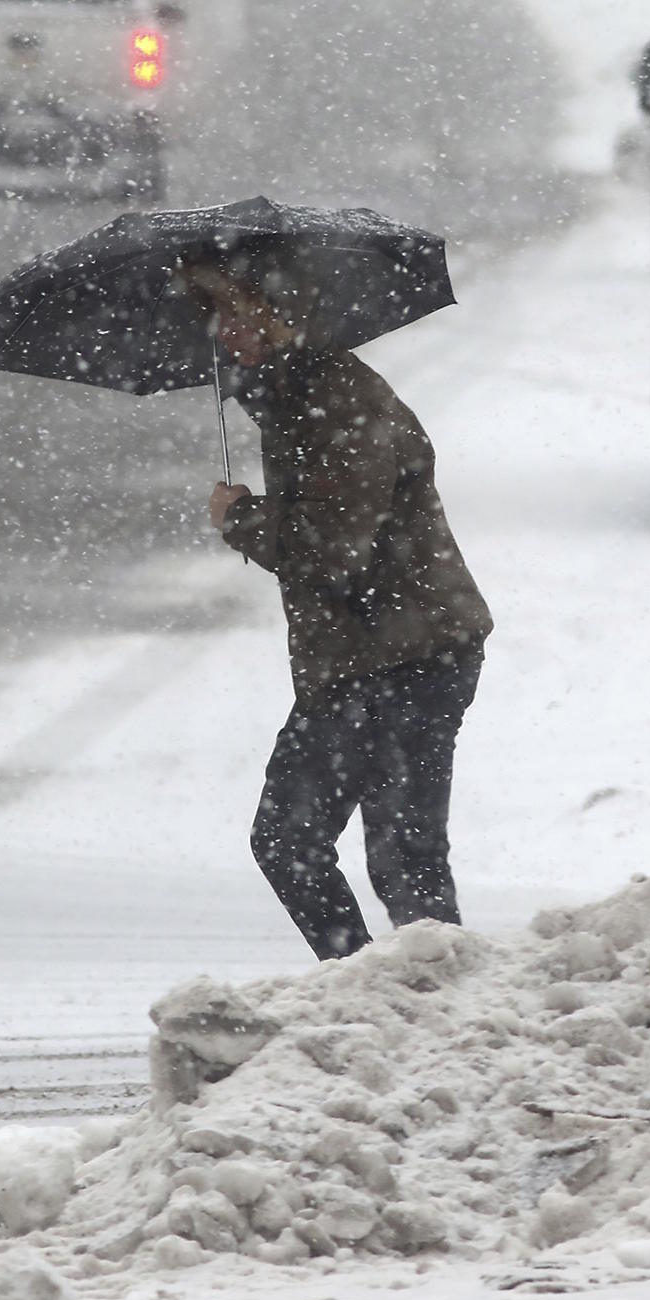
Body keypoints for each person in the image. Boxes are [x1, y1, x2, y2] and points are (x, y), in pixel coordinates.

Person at [181, 242, 493, 960]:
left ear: (282, 312)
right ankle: (376, 998)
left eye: (238, 310)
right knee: (308, 842)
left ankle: (427, 1012)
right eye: (214, 315)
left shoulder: (339, 400)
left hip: (408, 654)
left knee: (395, 855)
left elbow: (333, 548)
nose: (224, 331)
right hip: (364, 655)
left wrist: (242, 520)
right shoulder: (294, 400)